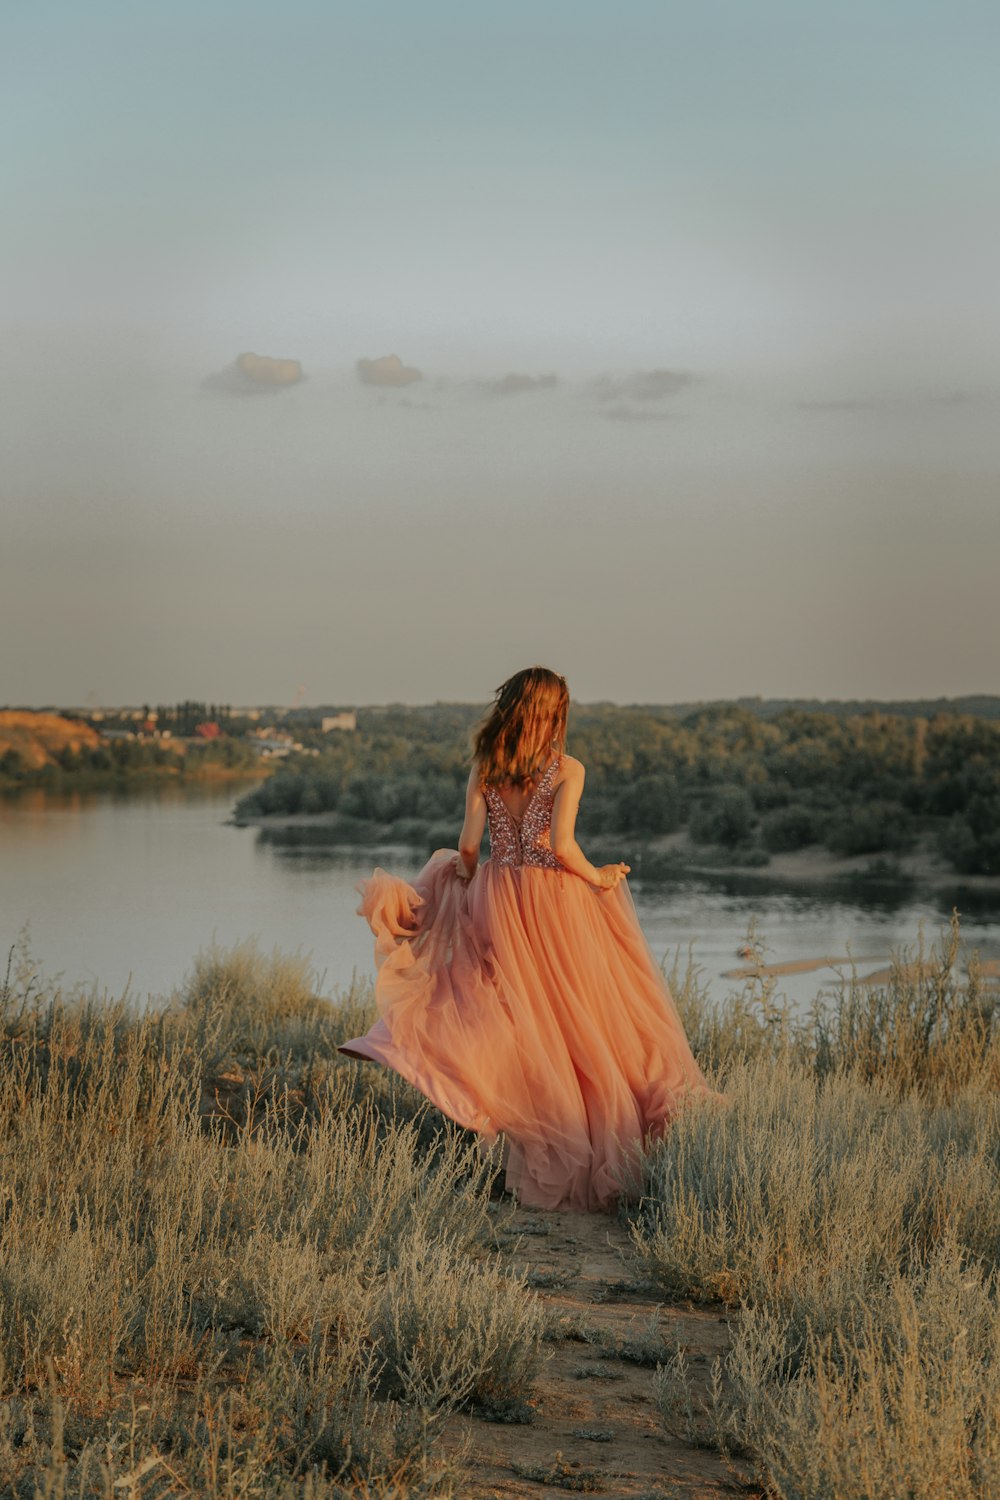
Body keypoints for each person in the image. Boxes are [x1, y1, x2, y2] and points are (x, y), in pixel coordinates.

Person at [338, 665, 715, 1212]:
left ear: (511, 708)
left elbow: (468, 847)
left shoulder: (486, 767)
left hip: (498, 897)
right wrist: (600, 877)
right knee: (577, 1022)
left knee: (497, 1008)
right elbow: (562, 846)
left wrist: (466, 880)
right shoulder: (567, 768)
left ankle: (476, 1101)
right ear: (554, 714)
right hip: (555, 906)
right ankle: (583, 1138)